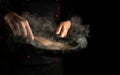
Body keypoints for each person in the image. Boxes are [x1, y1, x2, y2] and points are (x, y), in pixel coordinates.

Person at [0, 0, 89, 75]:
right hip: (17, 62)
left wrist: (68, 23)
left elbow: (70, 9)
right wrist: (7, 15)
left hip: (54, 65)